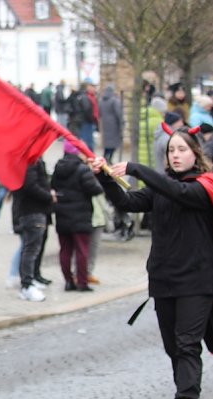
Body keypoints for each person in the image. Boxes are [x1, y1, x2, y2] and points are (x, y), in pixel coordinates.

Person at [91, 126, 213, 399]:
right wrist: (106, 177)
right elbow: (127, 202)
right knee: (174, 348)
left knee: (187, 344)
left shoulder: (204, 186)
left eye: (182, 149)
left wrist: (136, 168)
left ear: (196, 153)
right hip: (164, 280)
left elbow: (179, 193)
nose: (175, 155)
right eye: (171, 150)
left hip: (197, 281)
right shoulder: (161, 188)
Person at [52, 140, 104, 292]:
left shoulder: (58, 167)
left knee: (65, 250)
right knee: (82, 250)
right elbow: (95, 189)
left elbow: (53, 186)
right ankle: (82, 282)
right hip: (81, 215)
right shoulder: (82, 169)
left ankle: (68, 281)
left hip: (62, 215)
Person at [11, 157, 53, 302]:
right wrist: (48, 196)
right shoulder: (29, 161)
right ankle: (27, 284)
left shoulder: (30, 160)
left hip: (34, 211)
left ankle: (30, 279)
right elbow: (30, 186)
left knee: (31, 248)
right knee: (30, 249)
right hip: (32, 212)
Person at [99, 86, 124, 162]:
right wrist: (122, 122)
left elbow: (99, 112)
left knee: (107, 142)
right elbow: (119, 113)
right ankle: (109, 158)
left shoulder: (101, 100)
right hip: (114, 124)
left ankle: (105, 157)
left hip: (105, 123)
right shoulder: (114, 100)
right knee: (114, 142)